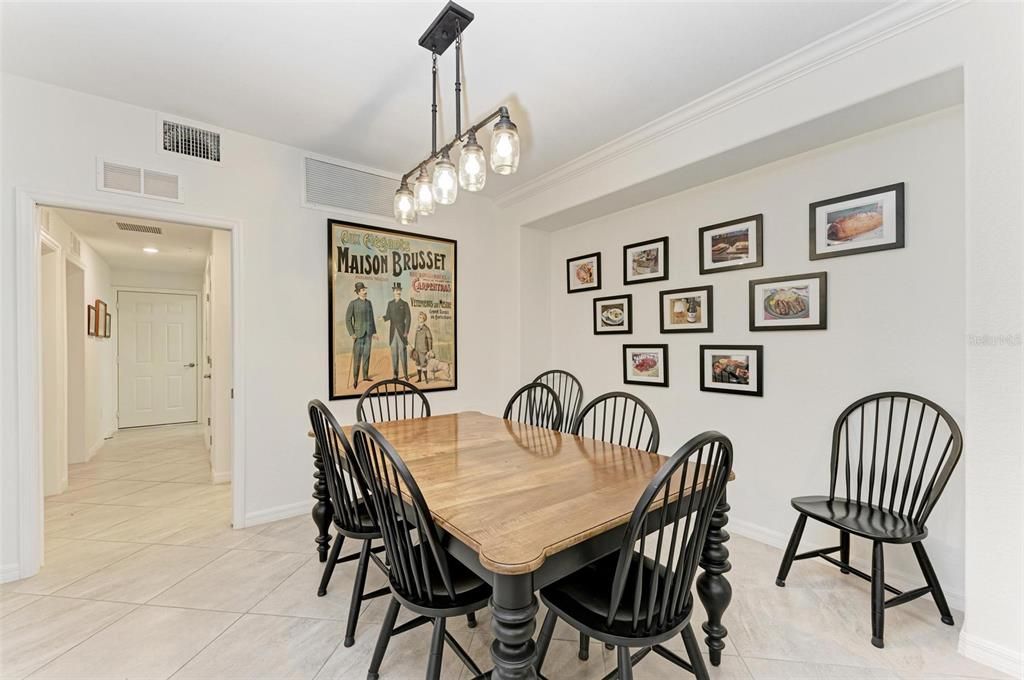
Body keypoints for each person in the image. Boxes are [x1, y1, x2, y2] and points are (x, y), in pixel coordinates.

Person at [345, 282, 376, 389]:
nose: (365, 291)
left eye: (365, 290)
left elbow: (372, 318)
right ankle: (355, 379)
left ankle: (366, 376)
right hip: (358, 335)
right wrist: (352, 333)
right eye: (363, 290)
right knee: (357, 358)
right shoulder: (353, 303)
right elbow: (348, 319)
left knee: (367, 355)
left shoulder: (369, 303)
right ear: (358, 292)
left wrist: (374, 332)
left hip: (368, 334)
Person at [383, 282, 412, 380]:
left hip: (402, 332)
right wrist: (383, 318)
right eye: (396, 290)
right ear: (393, 292)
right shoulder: (390, 304)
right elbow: (388, 316)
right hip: (392, 333)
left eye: (399, 290)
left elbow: (408, 318)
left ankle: (406, 374)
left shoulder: (404, 304)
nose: (398, 292)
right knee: (394, 355)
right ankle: (395, 375)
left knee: (403, 354)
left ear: (401, 291)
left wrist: (406, 331)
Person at [412, 312, 433, 383]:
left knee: (423, 364)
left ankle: (426, 379)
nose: (419, 318)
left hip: (423, 350)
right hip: (417, 349)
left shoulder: (426, 329)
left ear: (424, 319)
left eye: (421, 317)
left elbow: (429, 339)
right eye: (419, 317)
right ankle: (419, 379)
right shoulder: (418, 328)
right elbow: (416, 339)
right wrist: (414, 347)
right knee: (418, 364)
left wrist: (430, 350)